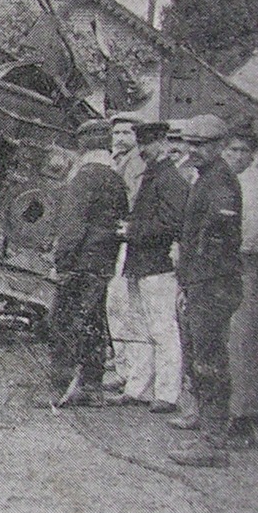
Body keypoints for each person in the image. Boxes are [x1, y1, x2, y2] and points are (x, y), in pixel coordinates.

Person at [170, 113, 245, 468]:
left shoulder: (220, 185)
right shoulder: (207, 179)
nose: (192, 150)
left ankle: (213, 442)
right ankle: (212, 431)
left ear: (219, 146)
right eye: (189, 143)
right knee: (202, 361)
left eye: (200, 145)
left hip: (210, 287)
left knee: (208, 363)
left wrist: (193, 285)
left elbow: (211, 246)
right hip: (201, 285)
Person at [48, 119, 130, 407]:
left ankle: (64, 385)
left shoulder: (83, 178)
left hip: (80, 261)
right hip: (103, 260)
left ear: (81, 146)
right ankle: (92, 384)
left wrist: (62, 261)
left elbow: (73, 226)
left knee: (66, 321)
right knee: (93, 321)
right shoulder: (116, 178)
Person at [118, 120, 188, 413]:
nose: (142, 150)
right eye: (141, 144)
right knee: (139, 327)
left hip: (157, 265)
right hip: (142, 263)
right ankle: (136, 387)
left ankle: (168, 394)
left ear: (162, 143)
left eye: (147, 144)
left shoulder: (170, 179)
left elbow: (172, 224)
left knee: (162, 329)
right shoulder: (156, 176)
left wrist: (132, 230)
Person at [222, 123, 258, 448]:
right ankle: (226, 412)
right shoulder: (227, 180)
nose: (238, 156)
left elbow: (252, 230)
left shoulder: (254, 184)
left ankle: (241, 418)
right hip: (226, 268)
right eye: (233, 149)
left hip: (242, 266)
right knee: (226, 343)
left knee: (240, 343)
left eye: (244, 150)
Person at [103, 117, 146, 392]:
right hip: (118, 239)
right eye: (116, 131)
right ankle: (122, 365)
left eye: (126, 132)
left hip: (126, 241)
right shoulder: (119, 159)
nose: (119, 136)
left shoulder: (135, 163)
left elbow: (131, 200)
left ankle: (127, 370)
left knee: (121, 306)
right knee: (116, 307)